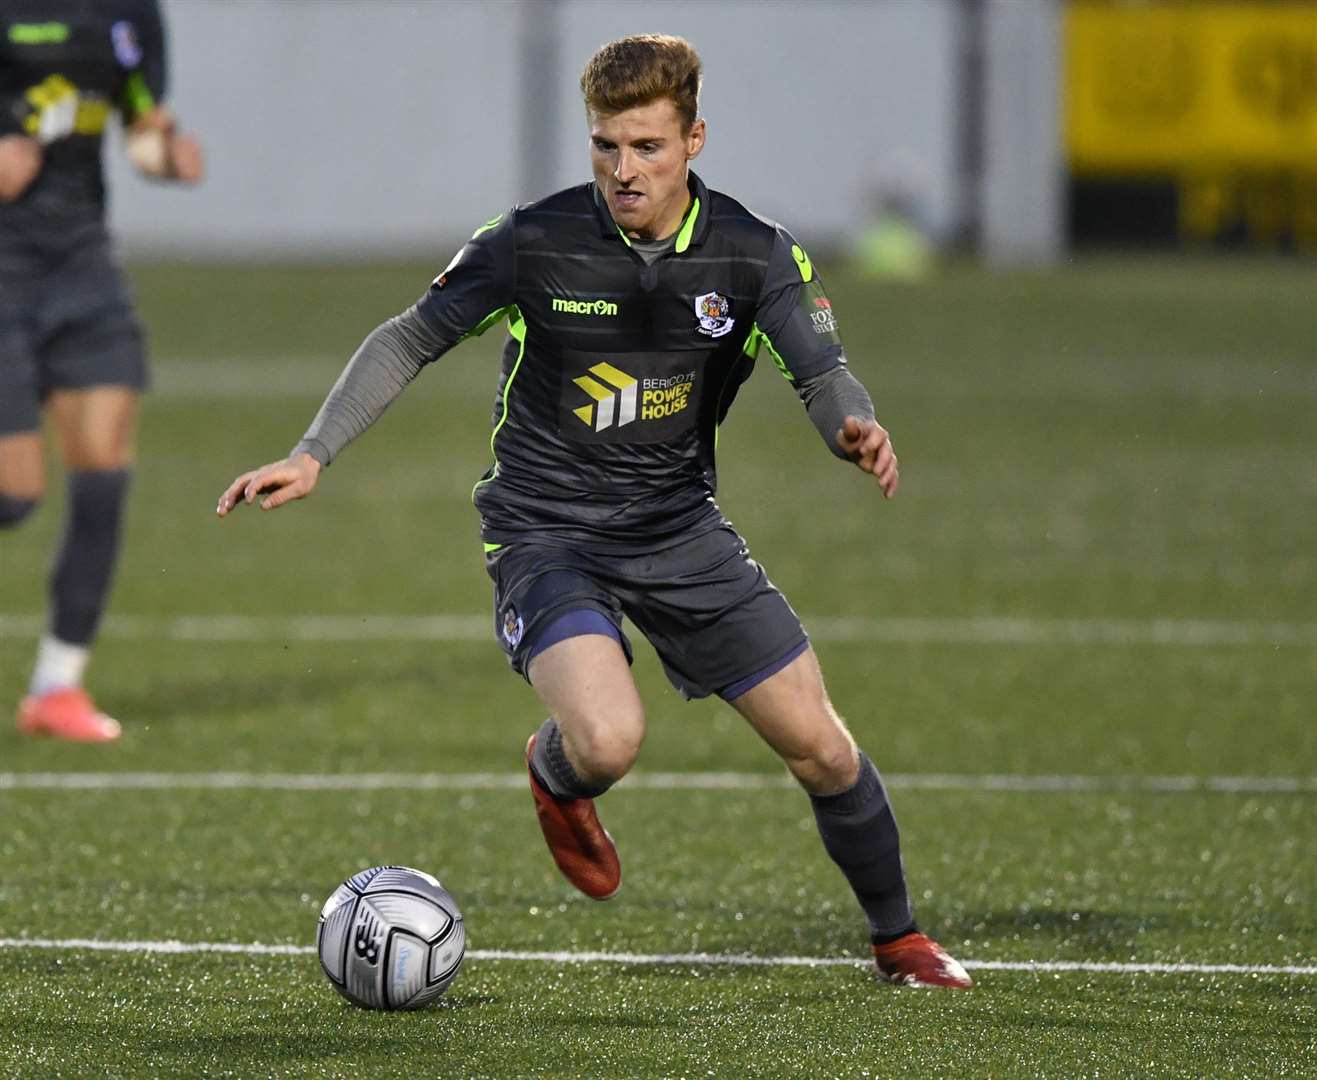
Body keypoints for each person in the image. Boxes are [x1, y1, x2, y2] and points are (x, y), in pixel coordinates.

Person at [218, 34, 970, 989]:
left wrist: (852, 426)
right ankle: (558, 774)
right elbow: (409, 337)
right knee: (608, 741)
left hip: (678, 529)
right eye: (606, 146)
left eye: (647, 148)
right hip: (545, 531)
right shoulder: (532, 243)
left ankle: (898, 941)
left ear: (694, 139)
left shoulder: (754, 254)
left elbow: (820, 371)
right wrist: (312, 452)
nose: (624, 171)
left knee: (822, 748)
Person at [2, 1, 204, 742]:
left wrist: (166, 158)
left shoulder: (129, 13)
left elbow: (141, 125)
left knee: (104, 470)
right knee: (15, 493)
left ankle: (57, 685)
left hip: (82, 266)